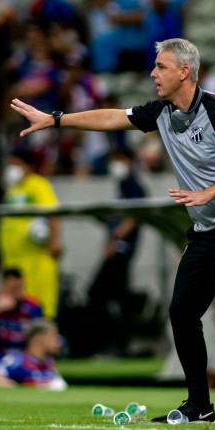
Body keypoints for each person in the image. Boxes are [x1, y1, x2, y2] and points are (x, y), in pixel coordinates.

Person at [11, 38, 215, 424]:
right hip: (207, 228)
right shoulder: (163, 112)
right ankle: (199, 406)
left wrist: (208, 193)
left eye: (161, 67)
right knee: (182, 312)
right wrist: (54, 120)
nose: (153, 73)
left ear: (184, 71)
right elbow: (112, 118)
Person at [87, 147, 147, 356]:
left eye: (119, 159)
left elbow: (134, 217)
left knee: (108, 295)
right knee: (107, 295)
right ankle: (109, 341)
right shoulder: (122, 186)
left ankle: (119, 344)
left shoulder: (134, 186)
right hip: (117, 249)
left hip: (122, 251)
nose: (116, 165)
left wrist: (114, 240)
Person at [0, 149, 61, 319]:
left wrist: (54, 242)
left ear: (29, 166)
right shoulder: (12, 190)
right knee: (14, 311)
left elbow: (53, 213)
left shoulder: (38, 185)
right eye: (10, 164)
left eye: (16, 164)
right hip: (13, 261)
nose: (12, 168)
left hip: (36, 260)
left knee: (40, 309)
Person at [0, 318, 66, 389]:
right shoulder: (17, 360)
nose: (58, 342)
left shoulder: (48, 363)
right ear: (40, 338)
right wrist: (17, 387)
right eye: (53, 336)